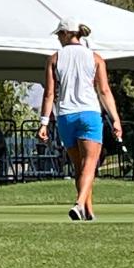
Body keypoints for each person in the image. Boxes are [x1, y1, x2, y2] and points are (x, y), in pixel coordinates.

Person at [38, 17, 121, 221]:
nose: (58, 38)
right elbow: (104, 91)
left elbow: (49, 94)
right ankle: (78, 203)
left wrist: (44, 123)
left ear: (67, 34)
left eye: (59, 34)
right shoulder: (95, 58)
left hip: (66, 116)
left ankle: (88, 210)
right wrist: (115, 119)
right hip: (89, 114)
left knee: (79, 167)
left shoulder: (54, 58)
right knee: (90, 165)